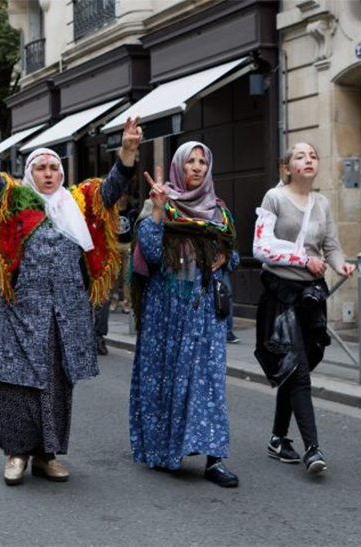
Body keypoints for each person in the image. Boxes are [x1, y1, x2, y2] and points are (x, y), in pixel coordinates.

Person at [0, 96, 140, 486]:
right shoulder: (13, 200)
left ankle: (47, 455)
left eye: (54, 168)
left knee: (55, 385)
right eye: (41, 168)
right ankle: (16, 454)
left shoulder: (79, 203)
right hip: (19, 311)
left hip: (64, 314)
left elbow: (112, 189)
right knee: (16, 383)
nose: (48, 174)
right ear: (30, 173)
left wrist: (128, 153)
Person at [129, 141, 240, 487]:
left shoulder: (218, 211)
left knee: (207, 382)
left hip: (206, 311)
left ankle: (214, 458)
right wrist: (160, 211)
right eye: (190, 161)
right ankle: (165, 450)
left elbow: (233, 254)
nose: (196, 167)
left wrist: (224, 259)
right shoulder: (160, 203)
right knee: (166, 377)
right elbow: (149, 253)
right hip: (167, 310)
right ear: (179, 166)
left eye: (202, 162)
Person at [252, 142, 355, 475]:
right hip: (280, 295)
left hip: (311, 294)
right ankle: (312, 448)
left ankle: (278, 438)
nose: (308, 160)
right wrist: (303, 260)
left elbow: (331, 246)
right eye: (300, 156)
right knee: (298, 372)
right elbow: (261, 247)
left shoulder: (322, 203)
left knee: (299, 366)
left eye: (313, 156)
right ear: (287, 167)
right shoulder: (275, 198)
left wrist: (342, 266)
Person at [110, 188, 137, 314]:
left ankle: (127, 301)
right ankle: (114, 299)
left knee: (127, 275)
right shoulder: (113, 210)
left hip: (128, 244)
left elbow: (135, 227)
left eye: (124, 195)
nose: (122, 198)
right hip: (115, 244)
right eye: (120, 195)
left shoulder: (132, 211)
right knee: (114, 275)